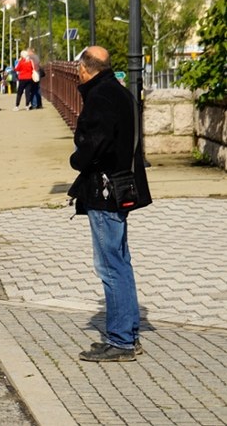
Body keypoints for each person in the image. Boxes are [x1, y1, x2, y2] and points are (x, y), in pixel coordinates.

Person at [67, 46, 152, 362]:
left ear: (84, 69)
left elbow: (94, 143)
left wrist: (77, 158)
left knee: (110, 266)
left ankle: (120, 341)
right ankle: (127, 334)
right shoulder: (120, 92)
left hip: (105, 191)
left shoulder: (100, 96)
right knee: (121, 262)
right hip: (122, 185)